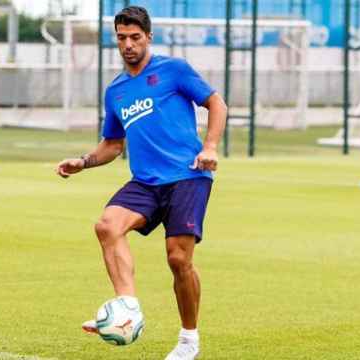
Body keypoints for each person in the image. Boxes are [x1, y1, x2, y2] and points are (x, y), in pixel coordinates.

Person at [55, 6, 227, 360]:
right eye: (121, 38)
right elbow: (113, 145)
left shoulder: (174, 70)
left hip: (188, 175)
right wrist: (85, 162)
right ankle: (128, 307)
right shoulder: (116, 90)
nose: (128, 44)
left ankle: (188, 340)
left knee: (179, 259)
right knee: (107, 225)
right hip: (146, 182)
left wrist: (210, 147)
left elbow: (216, 103)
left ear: (149, 37)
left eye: (135, 37)